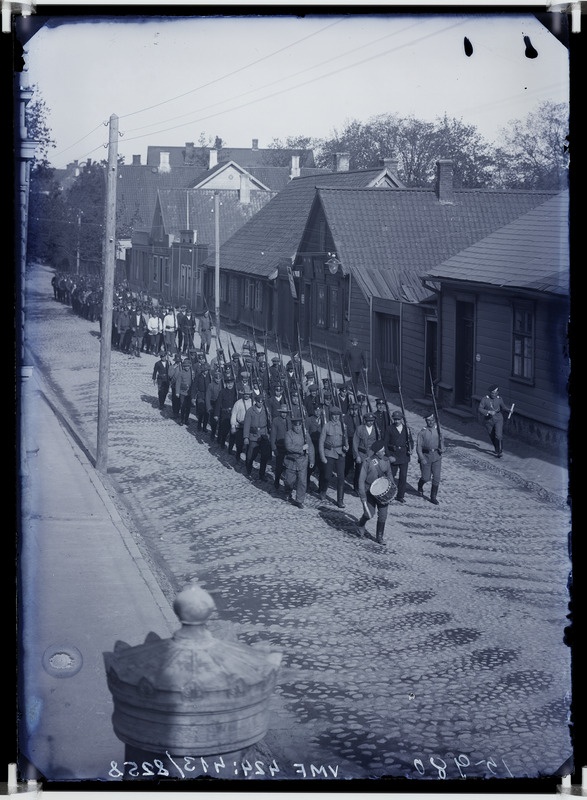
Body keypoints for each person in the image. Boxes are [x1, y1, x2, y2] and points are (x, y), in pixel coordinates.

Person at [356, 440, 396, 544]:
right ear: (376, 452)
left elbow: (389, 474)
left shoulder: (386, 461)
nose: (384, 453)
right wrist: (362, 495)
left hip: (382, 492)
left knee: (383, 515)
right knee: (369, 514)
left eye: (384, 451)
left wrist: (392, 485)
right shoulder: (368, 462)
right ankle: (361, 524)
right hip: (369, 491)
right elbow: (361, 480)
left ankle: (379, 537)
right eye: (381, 451)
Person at [318, 406, 348, 508]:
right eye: (334, 416)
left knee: (341, 477)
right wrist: (323, 457)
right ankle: (323, 490)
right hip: (329, 453)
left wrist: (346, 446)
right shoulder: (326, 426)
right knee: (327, 476)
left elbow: (345, 438)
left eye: (337, 416)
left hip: (340, 453)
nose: (336, 417)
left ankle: (340, 500)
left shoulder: (343, 426)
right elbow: (321, 442)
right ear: (331, 416)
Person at [283, 415, 315, 508]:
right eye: (296, 426)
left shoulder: (305, 434)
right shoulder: (288, 434)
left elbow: (311, 446)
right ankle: (288, 492)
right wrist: (301, 448)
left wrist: (312, 460)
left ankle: (299, 500)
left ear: (301, 425)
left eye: (299, 425)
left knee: (302, 481)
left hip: (302, 461)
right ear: (292, 425)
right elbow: (289, 447)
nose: (297, 427)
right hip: (291, 461)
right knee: (289, 481)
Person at [385, 410, 414, 503]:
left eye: (398, 419)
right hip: (393, 455)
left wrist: (411, 448)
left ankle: (400, 495)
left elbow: (411, 441)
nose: (396, 421)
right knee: (391, 476)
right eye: (395, 419)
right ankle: (388, 494)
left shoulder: (407, 429)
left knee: (403, 476)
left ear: (402, 419)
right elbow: (385, 443)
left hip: (404, 455)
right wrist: (389, 455)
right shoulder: (389, 428)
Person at [416, 411, 444, 505]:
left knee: (436, 477)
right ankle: (420, 485)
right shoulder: (422, 432)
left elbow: (442, 442)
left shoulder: (439, 430)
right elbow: (419, 446)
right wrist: (421, 458)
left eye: (432, 420)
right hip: (426, 456)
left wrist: (442, 448)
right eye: (428, 421)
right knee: (426, 477)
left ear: (434, 420)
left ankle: (433, 497)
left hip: (437, 456)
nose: (430, 422)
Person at [478, 384, 513, 458]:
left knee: (498, 435)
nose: (493, 394)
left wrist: (509, 410)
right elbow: (480, 409)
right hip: (488, 420)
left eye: (495, 393)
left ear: (498, 393)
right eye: (492, 393)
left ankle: (499, 451)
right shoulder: (485, 399)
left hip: (498, 419)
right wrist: (488, 412)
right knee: (492, 435)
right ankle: (497, 448)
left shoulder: (499, 399)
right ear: (490, 393)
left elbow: (503, 407)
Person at [243, 394, 272, 481]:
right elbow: (247, 425)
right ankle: (248, 471)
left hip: (263, 435)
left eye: (262, 401)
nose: (260, 403)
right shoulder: (250, 411)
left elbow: (269, 422)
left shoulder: (266, 410)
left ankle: (262, 474)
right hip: (253, 436)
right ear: (256, 401)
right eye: (259, 401)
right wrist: (246, 437)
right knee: (251, 455)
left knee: (264, 456)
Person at [215, 372, 238, 452]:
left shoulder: (236, 392)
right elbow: (218, 404)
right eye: (228, 383)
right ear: (225, 384)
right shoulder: (222, 392)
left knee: (233, 432)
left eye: (231, 383)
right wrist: (216, 415)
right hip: (224, 414)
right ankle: (222, 443)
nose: (230, 385)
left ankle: (230, 449)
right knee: (224, 431)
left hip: (234, 414)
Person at [230, 387, 253, 465]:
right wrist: (233, 425)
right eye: (245, 394)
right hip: (240, 426)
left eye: (248, 394)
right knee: (239, 444)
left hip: (249, 427)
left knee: (249, 445)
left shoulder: (252, 403)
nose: (246, 395)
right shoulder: (238, 403)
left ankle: (248, 460)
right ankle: (237, 456)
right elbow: (234, 414)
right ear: (243, 394)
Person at [270, 404, 290, 490]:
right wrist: (274, 448)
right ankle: (276, 481)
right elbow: (273, 435)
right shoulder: (276, 421)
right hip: (279, 446)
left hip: (288, 447)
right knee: (279, 466)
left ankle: (287, 484)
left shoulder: (289, 420)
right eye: (282, 412)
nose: (284, 414)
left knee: (288, 467)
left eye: (285, 413)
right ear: (280, 412)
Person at [176, 355, 194, 426]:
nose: (186, 367)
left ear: (189, 366)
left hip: (189, 393)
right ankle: (182, 420)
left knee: (188, 407)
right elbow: (178, 383)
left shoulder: (192, 373)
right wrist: (177, 392)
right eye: (185, 366)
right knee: (183, 406)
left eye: (188, 366)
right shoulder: (181, 373)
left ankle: (186, 419)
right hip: (182, 392)